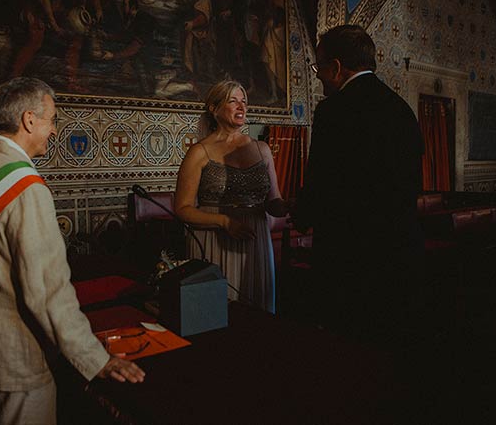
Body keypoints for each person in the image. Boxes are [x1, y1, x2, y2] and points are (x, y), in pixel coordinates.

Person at [0, 77, 144, 425]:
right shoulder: (27, 188)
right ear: (29, 120)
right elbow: (45, 290)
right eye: (52, 120)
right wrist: (95, 359)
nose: (54, 131)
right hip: (20, 354)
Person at [294, 24, 424, 345]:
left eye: (319, 67)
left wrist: (301, 215)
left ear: (336, 67)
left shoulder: (334, 110)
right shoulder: (402, 109)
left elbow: (321, 178)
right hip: (398, 249)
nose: (318, 75)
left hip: (348, 253)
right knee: (384, 340)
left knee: (345, 338)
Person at [174, 80, 288, 313]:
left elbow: (274, 203)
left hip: (255, 242)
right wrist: (225, 222)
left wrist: (292, 205)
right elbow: (182, 208)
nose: (242, 107)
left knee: (257, 317)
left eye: (244, 102)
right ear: (214, 109)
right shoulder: (199, 152)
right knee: (215, 315)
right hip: (214, 241)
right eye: (233, 101)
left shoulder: (262, 149)